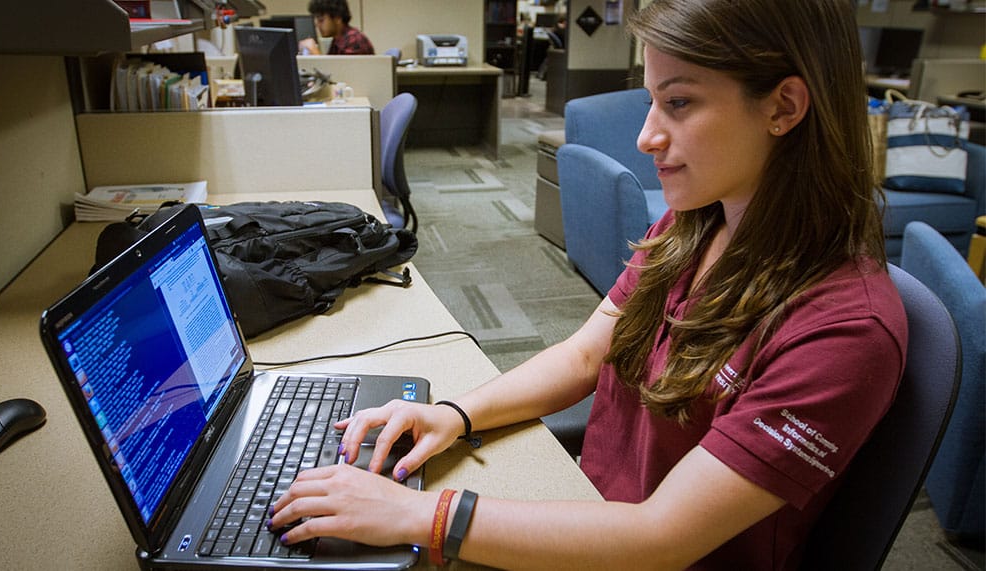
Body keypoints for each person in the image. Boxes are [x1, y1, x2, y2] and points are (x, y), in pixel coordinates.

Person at [269, 1, 907, 568]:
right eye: (651, 99)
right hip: (588, 506)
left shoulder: (845, 328)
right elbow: (582, 355)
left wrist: (421, 518)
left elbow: (664, 539)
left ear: (784, 107)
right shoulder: (692, 226)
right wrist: (453, 415)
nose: (646, 135)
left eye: (679, 103)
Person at [298, 0, 374, 55]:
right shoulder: (338, 40)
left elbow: (342, 74)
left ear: (337, 18)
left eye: (321, 20)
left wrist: (314, 52)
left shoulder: (354, 40)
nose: (317, 25)